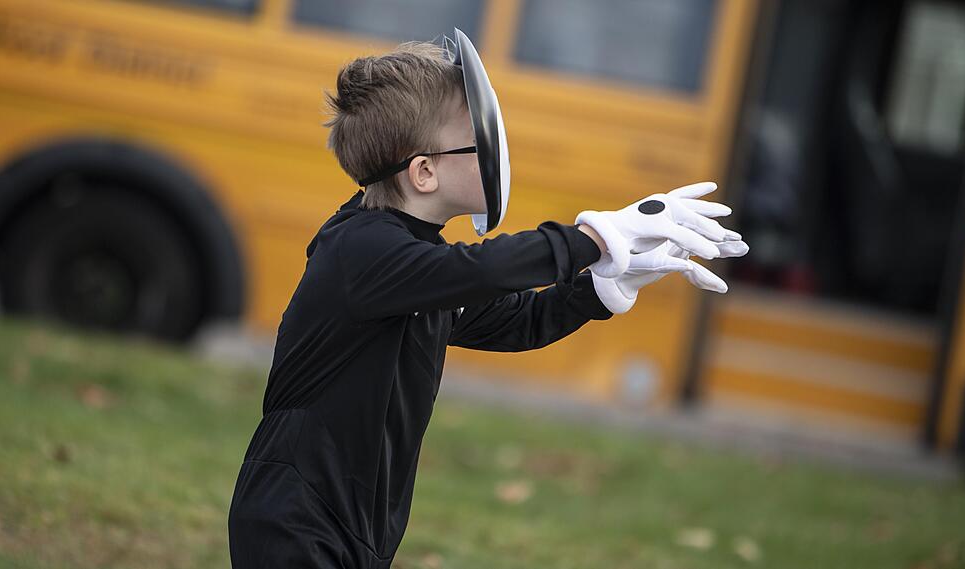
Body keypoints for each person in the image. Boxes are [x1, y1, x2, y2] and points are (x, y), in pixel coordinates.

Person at [227, 30, 747, 569]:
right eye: (474, 143)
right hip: (294, 515)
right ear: (423, 172)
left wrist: (601, 285)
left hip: (354, 524)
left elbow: (519, 321)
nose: (492, 152)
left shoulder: (415, 265)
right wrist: (594, 237)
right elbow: (486, 270)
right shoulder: (361, 249)